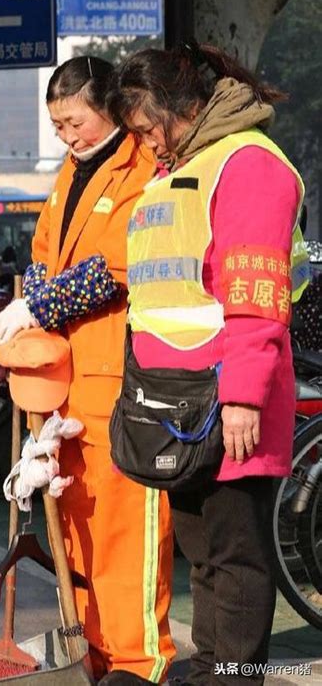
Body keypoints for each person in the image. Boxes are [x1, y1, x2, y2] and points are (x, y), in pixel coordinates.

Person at [106, 44, 308, 686]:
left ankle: (233, 673)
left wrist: (244, 399)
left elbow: (255, 301)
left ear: (178, 106)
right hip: (179, 402)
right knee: (202, 552)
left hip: (229, 399)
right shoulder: (185, 167)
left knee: (236, 551)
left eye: (144, 129)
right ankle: (211, 667)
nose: (145, 147)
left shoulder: (248, 166)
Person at [0, 56, 175, 684]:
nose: (68, 137)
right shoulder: (71, 174)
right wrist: (34, 296)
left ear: (111, 109)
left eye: (76, 122)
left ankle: (140, 662)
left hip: (126, 382)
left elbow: (114, 269)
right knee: (79, 533)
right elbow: (45, 251)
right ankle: (92, 653)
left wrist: (37, 302)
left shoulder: (142, 169)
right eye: (59, 126)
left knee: (129, 532)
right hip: (71, 387)